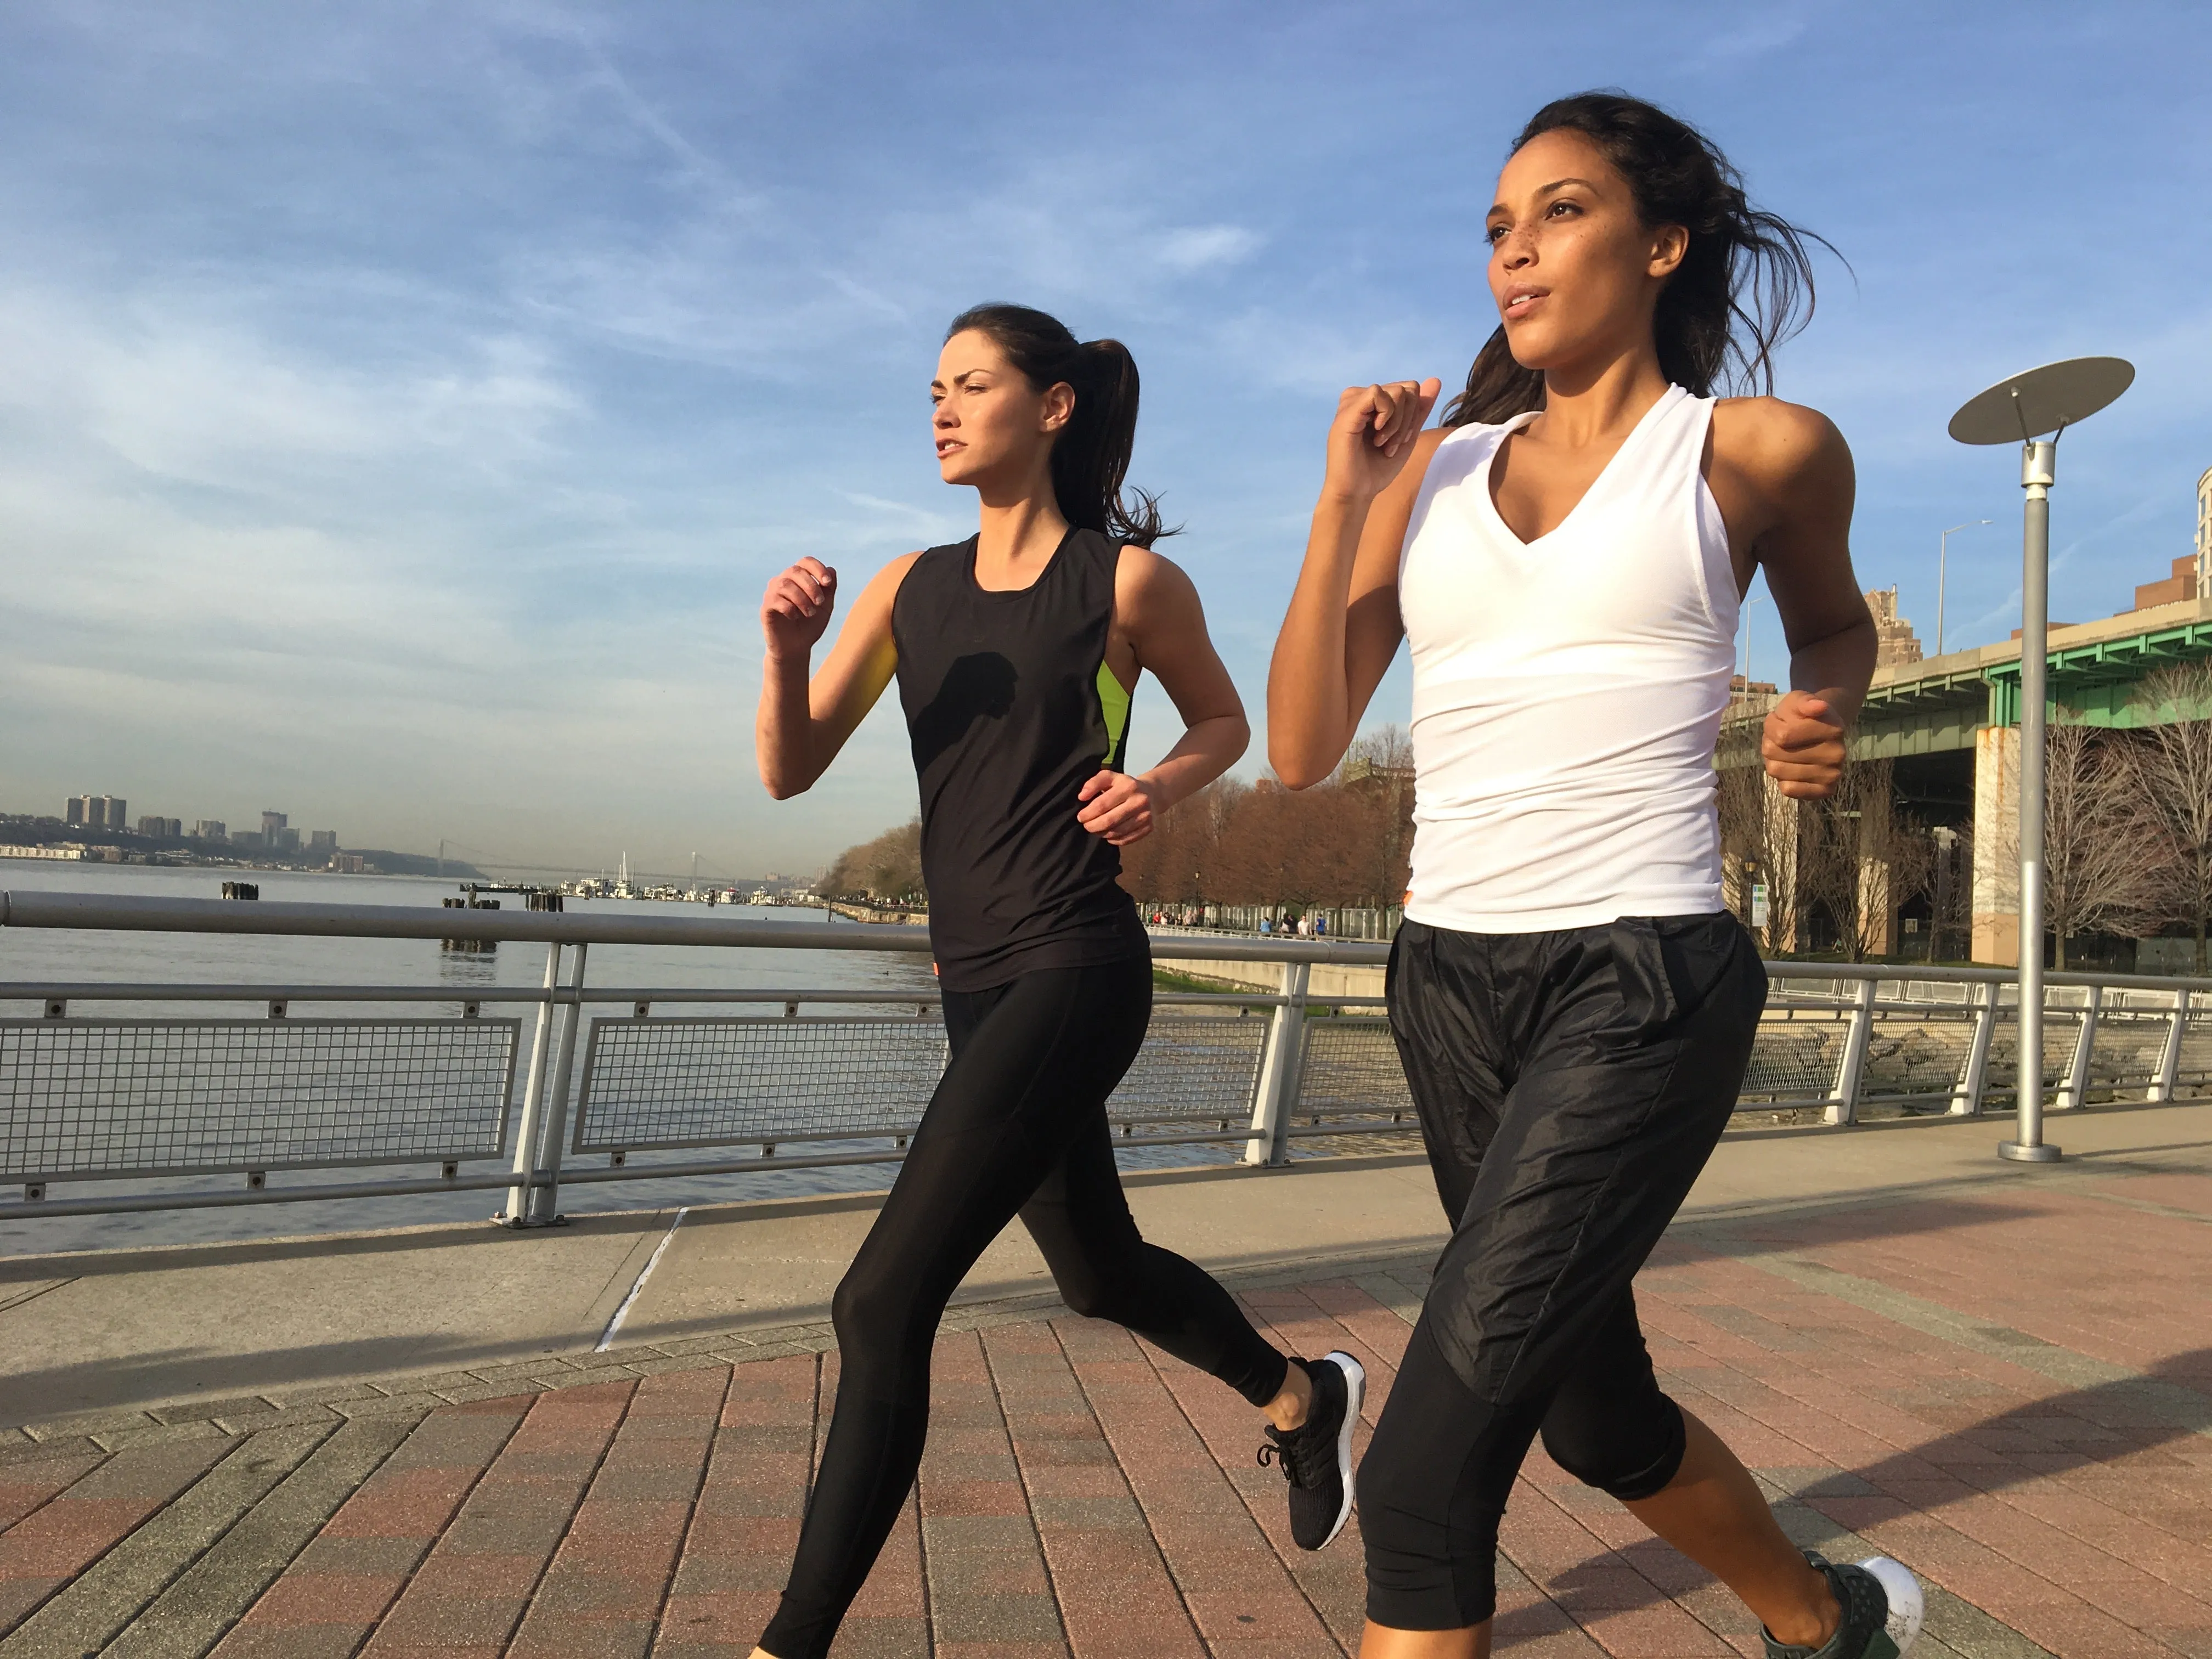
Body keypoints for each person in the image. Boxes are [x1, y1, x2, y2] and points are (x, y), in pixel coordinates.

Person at [1267, 93, 1921, 1659]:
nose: (1516, 252)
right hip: (1446, 983)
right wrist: (1341, 500)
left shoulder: (1756, 448)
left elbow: (1834, 630)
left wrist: (1824, 710)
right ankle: (1825, 1626)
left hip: (1641, 979)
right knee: (1592, 1413)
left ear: (1663, 242)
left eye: (1557, 213)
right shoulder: (1426, 474)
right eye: (1498, 226)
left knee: (1424, 1484)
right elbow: (1298, 745)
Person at [751, 303, 1364, 1659]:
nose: (943, 408)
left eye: (972, 384)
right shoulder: (912, 588)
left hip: (1078, 965)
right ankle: (1302, 1398)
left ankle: (785, 1644)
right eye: (933, 389)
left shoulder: (1124, 585)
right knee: (1097, 1273)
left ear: (1054, 408)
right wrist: (788, 651)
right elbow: (789, 768)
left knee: (879, 1303)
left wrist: (1156, 783)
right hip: (974, 979)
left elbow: (1225, 719)